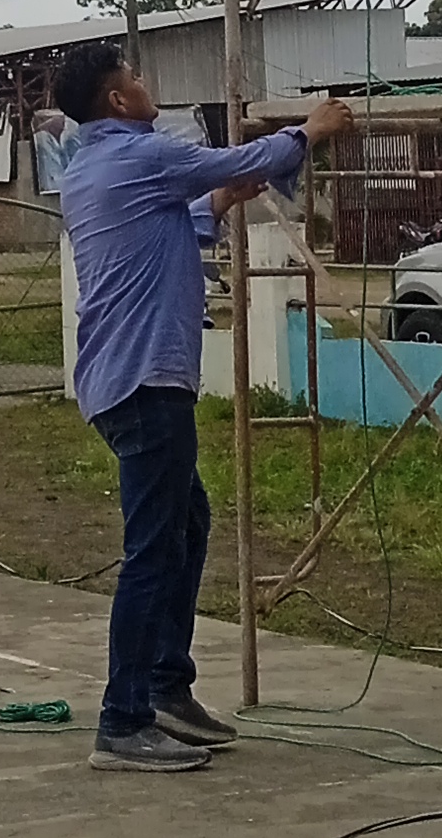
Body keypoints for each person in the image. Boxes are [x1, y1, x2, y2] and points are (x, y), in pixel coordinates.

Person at [54, 41, 353, 773]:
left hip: (127, 380)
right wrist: (311, 132)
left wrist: (221, 198)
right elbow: (232, 160)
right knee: (154, 550)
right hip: (145, 382)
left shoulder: (95, 167)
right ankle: (124, 720)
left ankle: (164, 687)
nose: (144, 83)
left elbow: (174, 221)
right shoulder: (142, 155)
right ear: (117, 99)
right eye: (134, 76)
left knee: (186, 525)